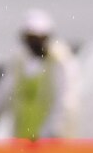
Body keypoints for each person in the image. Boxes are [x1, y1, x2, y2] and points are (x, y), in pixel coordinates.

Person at [5, 8, 79, 140]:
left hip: (54, 144)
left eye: (38, 39)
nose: (34, 44)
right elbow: (0, 98)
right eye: (31, 39)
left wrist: (48, 134)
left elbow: (65, 103)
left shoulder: (60, 61)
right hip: (24, 143)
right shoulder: (19, 63)